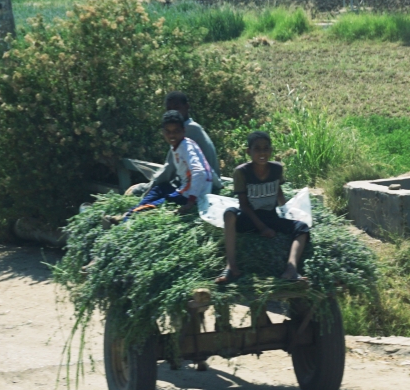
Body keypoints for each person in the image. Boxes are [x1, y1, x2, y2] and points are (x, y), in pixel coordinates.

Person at [217, 130, 309, 284]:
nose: (262, 152)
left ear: (271, 151)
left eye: (266, 148)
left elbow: (278, 191)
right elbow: (244, 205)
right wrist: (262, 228)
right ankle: (231, 266)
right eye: (257, 148)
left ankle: (291, 268)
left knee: (302, 228)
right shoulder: (241, 172)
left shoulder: (277, 169)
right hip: (249, 218)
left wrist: (288, 211)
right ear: (249, 151)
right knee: (229, 214)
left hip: (270, 216)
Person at [133, 92, 221, 197]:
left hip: (203, 185)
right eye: (169, 109)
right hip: (199, 181)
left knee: (151, 191)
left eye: (177, 108)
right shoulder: (189, 127)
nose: (173, 112)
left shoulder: (189, 129)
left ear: (187, 106)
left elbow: (170, 168)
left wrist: (150, 186)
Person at [126, 110, 213, 217]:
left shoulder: (185, 148)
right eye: (168, 131)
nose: (172, 135)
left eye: (176, 131)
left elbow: (199, 172)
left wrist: (190, 202)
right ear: (163, 132)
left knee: (160, 203)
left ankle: (127, 217)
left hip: (192, 195)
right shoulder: (179, 145)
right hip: (188, 188)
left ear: (183, 130)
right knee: (160, 188)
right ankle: (134, 209)